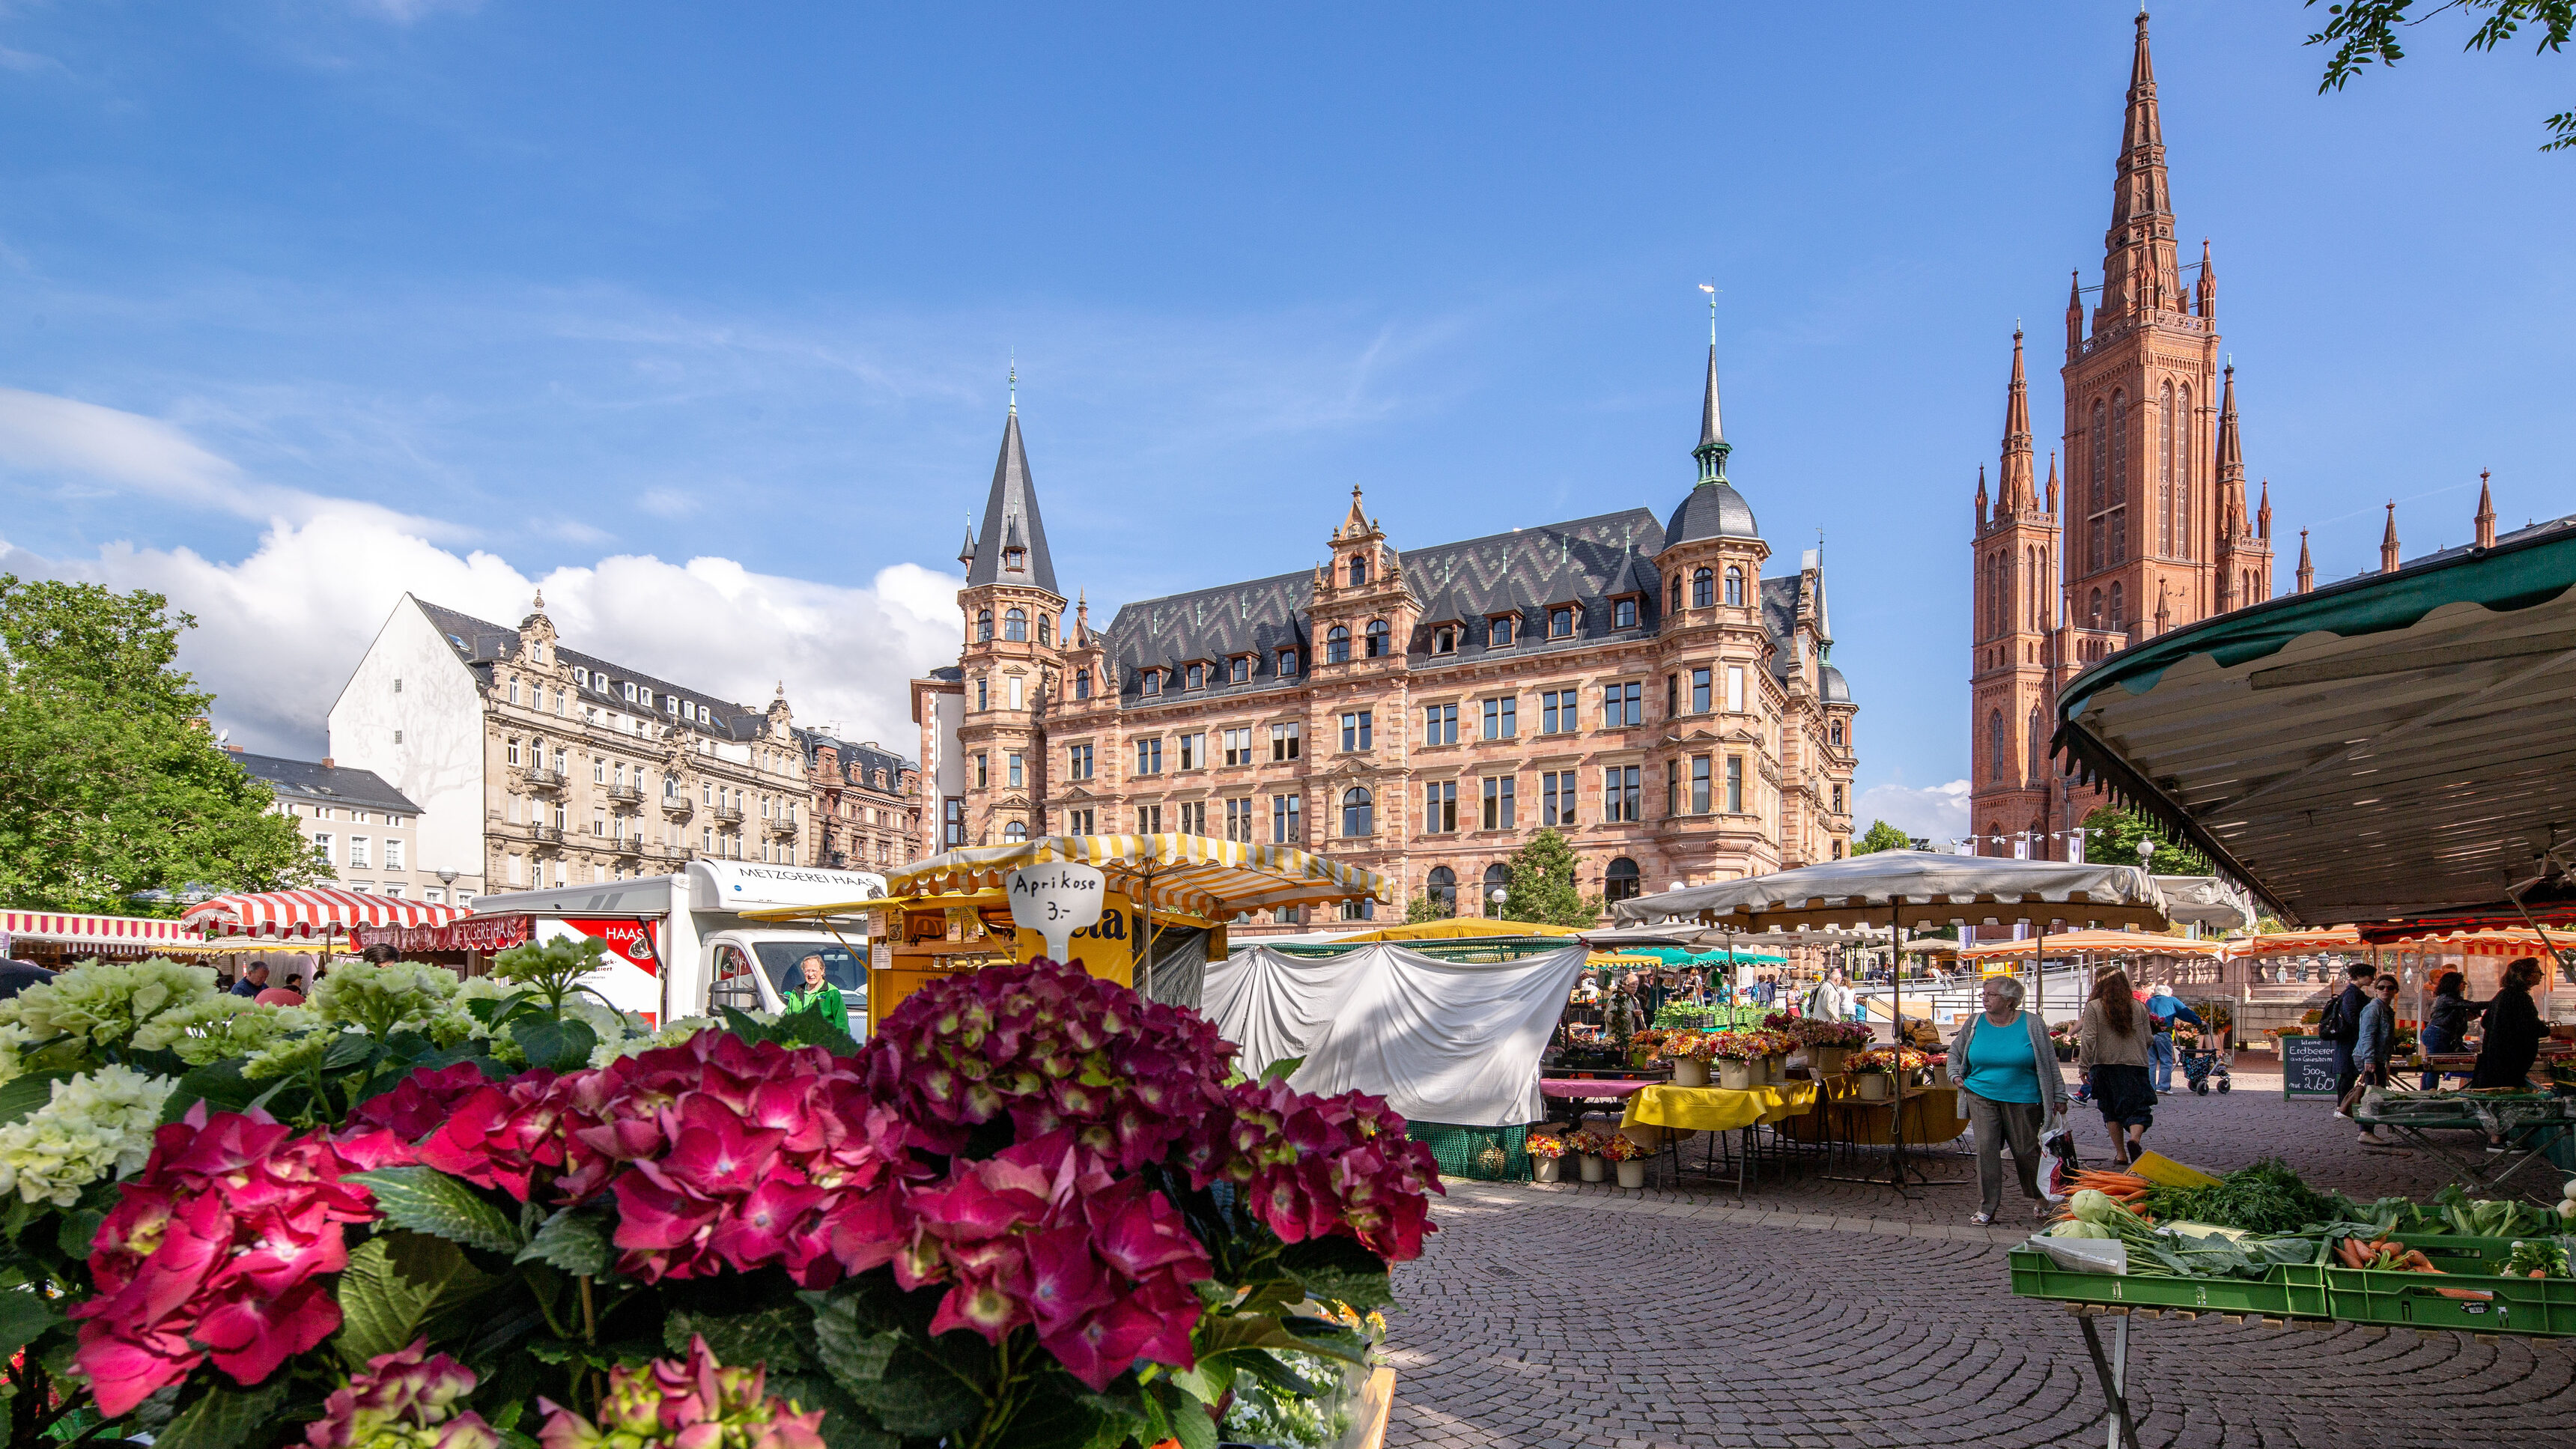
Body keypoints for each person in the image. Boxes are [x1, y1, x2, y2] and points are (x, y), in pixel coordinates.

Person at [1948, 973, 2069, 1227]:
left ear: (2010, 1000)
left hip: (2023, 1097)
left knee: (2025, 1151)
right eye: (1984, 994)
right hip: (1980, 1093)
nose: (1985, 999)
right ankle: (1987, 1207)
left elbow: (2048, 1063)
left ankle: (2040, 1197)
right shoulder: (1975, 1022)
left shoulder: (2033, 1024)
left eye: (1991, 995)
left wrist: (2058, 1095)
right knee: (1986, 1151)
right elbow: (1955, 1052)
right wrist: (1955, 1075)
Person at [2077, 967, 2157, 1167]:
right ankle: (2135, 1140)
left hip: (2104, 1065)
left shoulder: (2094, 1006)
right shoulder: (2138, 1006)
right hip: (2135, 1064)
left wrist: (2083, 1065)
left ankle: (2121, 1154)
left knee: (2110, 1109)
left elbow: (2088, 1038)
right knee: (2139, 1107)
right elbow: (2148, 1038)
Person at [2470, 957, 2549, 1149]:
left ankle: (2499, 1138)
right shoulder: (2520, 998)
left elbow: (2485, 1021)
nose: (2541, 976)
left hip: (2497, 1056)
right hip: (2508, 1059)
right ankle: (2497, 1140)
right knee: (2504, 1098)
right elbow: (2531, 1027)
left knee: (2500, 1099)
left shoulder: (2502, 995)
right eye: (2539, 972)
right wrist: (2548, 1030)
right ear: (2527, 976)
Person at [2341, 974, 2401, 1141]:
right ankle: (2365, 1131)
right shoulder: (2374, 1009)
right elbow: (2367, 1036)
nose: (2386, 990)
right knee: (2371, 1094)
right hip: (2368, 1056)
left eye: (2390, 987)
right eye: (2381, 987)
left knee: (2376, 1092)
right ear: (2375, 990)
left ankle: (2370, 1129)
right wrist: (2369, 1060)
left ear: (2396, 991)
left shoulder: (2386, 1009)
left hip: (2377, 1056)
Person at [2418, 969, 2485, 1090]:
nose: (2464, 985)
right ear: (2454, 984)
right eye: (2462, 982)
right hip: (2437, 1035)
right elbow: (2472, 1005)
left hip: (2441, 1036)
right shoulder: (2446, 998)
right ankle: (2428, 1093)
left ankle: (2427, 1091)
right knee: (2435, 1067)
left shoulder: (2452, 999)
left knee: (2434, 1066)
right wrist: (2494, 1003)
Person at [2323, 962, 2374, 1117]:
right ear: (2359, 976)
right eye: (2370, 976)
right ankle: (2342, 1107)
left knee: (2348, 1074)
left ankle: (2342, 1107)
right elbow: (2352, 1017)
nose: (2372, 979)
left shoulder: (2352, 992)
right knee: (2348, 1074)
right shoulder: (2352, 993)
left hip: (2348, 1039)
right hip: (2349, 1039)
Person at [2143, 984, 2206, 1095]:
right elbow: (2185, 1012)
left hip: (2148, 1033)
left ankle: (2149, 1087)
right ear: (2167, 993)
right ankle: (2163, 1087)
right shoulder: (2171, 1000)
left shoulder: (2149, 1001)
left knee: (2151, 1061)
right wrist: (2198, 1021)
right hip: (2164, 1032)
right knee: (2166, 1060)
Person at [783, 953, 847, 1029]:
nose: (810, 974)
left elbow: (842, 1024)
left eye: (814, 971)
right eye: (807, 971)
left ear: (822, 971)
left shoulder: (832, 992)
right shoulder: (796, 992)